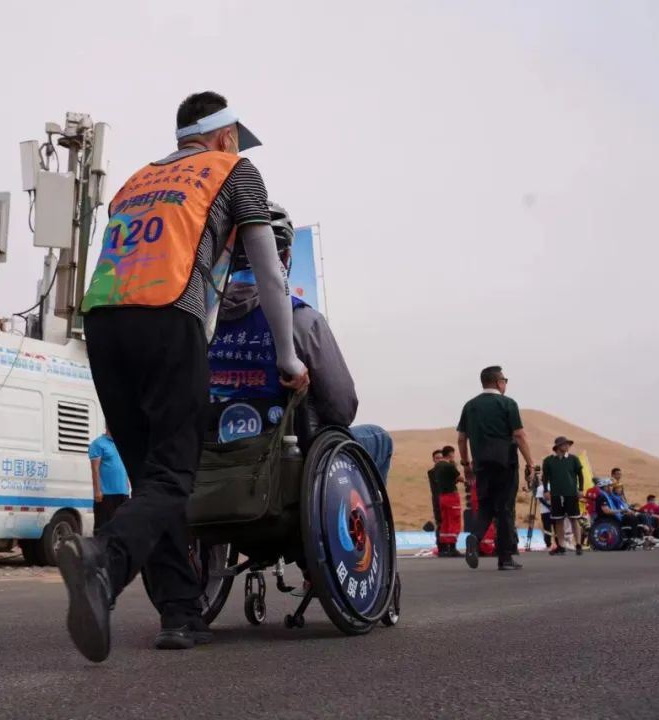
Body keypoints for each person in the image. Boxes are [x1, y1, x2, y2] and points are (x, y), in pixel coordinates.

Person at [64, 91, 310, 661]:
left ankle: (180, 612)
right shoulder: (234, 170)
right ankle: (105, 560)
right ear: (224, 136)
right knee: (174, 472)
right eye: (236, 140)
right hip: (170, 315)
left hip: (102, 323)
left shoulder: (135, 181)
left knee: (151, 478)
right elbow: (269, 274)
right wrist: (289, 358)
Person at [205, 201, 394, 477]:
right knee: (379, 438)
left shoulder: (199, 321)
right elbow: (342, 409)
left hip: (211, 459)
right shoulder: (303, 320)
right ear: (284, 257)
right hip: (290, 462)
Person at [456, 366, 535, 571]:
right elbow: (519, 435)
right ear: (499, 382)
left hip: (481, 464)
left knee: (485, 506)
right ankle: (505, 558)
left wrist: (466, 465)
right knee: (505, 508)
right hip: (505, 463)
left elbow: (461, 438)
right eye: (504, 380)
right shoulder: (507, 403)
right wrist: (530, 462)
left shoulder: (470, 406)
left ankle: (474, 537)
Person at [542, 436, 585, 556]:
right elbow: (545, 477)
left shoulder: (573, 459)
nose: (567, 446)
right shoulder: (548, 461)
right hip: (556, 494)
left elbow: (580, 475)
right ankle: (561, 546)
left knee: (574, 519)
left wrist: (580, 489)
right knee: (558, 520)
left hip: (571, 493)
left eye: (568, 444)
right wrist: (545, 490)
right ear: (557, 447)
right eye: (564, 444)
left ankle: (578, 545)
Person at [88, 430, 129, 530]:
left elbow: (124, 467)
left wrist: (128, 487)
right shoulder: (98, 443)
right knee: (103, 528)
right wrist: (97, 491)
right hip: (106, 494)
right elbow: (95, 469)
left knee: (121, 528)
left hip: (123, 493)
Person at [434, 446, 463, 557]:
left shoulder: (437, 466)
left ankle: (444, 548)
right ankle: (452, 547)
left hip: (442, 496)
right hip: (451, 496)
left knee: (445, 521)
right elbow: (459, 478)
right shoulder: (449, 466)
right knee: (454, 520)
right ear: (450, 454)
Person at [428, 449, 444, 545]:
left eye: (441, 458)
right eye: (437, 458)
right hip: (438, 500)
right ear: (433, 459)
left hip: (447, 500)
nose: (439, 460)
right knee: (440, 522)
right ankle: (440, 544)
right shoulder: (432, 472)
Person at [534, 478, 554, 551]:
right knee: (552, 528)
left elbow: (541, 499)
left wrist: (549, 506)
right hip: (549, 510)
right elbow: (541, 499)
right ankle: (554, 544)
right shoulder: (541, 487)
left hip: (546, 511)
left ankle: (549, 544)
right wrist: (550, 506)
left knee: (548, 528)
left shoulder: (540, 487)